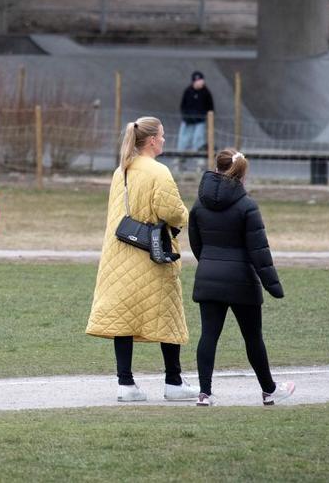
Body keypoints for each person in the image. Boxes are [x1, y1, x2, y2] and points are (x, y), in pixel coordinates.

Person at [85, 116, 192, 402]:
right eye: (163, 135)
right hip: (151, 254)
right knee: (168, 314)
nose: (165, 140)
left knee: (123, 318)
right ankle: (173, 382)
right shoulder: (159, 172)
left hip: (119, 253)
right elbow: (172, 211)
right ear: (153, 140)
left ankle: (126, 384)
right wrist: (184, 215)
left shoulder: (121, 170)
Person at [189, 148, 295, 407]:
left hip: (209, 277)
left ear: (216, 167)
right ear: (242, 174)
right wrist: (274, 286)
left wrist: (211, 263)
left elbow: (196, 244)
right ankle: (269, 390)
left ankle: (205, 393)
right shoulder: (247, 206)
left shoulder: (199, 203)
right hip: (241, 281)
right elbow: (259, 252)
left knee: (208, 335)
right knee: (253, 337)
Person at [178, 71, 214, 153]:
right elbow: (183, 105)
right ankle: (180, 159)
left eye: (202, 80)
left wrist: (206, 116)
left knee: (198, 139)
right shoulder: (188, 91)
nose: (201, 82)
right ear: (194, 81)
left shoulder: (206, 92)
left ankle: (199, 161)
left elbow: (210, 107)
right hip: (188, 120)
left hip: (200, 121)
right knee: (184, 139)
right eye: (199, 81)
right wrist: (185, 117)